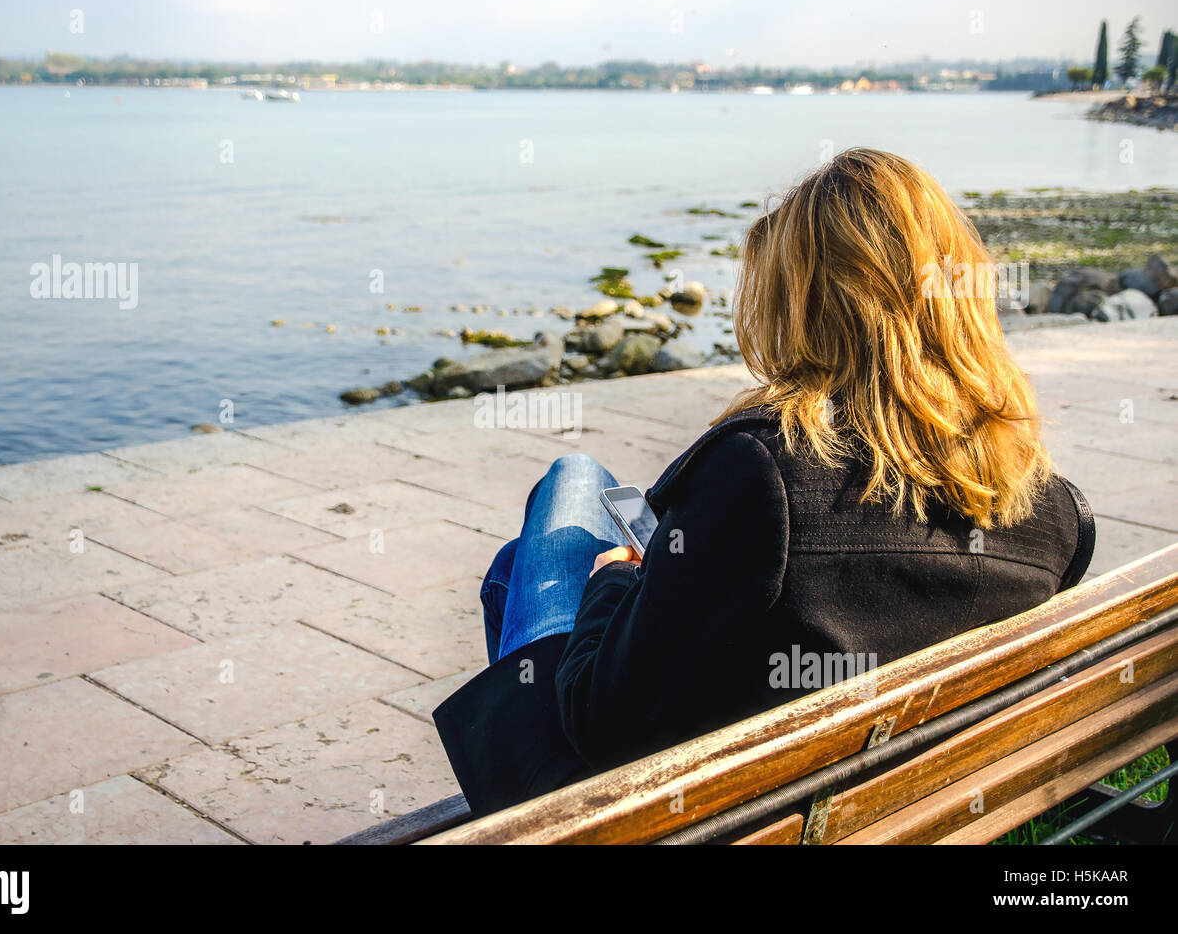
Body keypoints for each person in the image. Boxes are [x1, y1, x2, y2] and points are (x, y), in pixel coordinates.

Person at [433, 148, 1095, 818]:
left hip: (659, 814)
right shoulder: (1055, 512)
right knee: (528, 556)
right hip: (898, 802)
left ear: (804, 306)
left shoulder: (763, 475)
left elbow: (605, 727)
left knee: (569, 490)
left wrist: (613, 580)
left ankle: (515, 802)